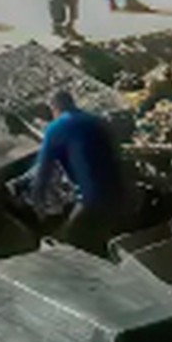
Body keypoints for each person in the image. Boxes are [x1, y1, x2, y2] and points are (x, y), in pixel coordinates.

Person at [27, 88, 131, 255]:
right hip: (124, 190)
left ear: (54, 108)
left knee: (69, 241)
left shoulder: (55, 128)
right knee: (105, 238)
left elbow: (43, 171)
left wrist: (38, 203)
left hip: (93, 198)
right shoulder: (97, 120)